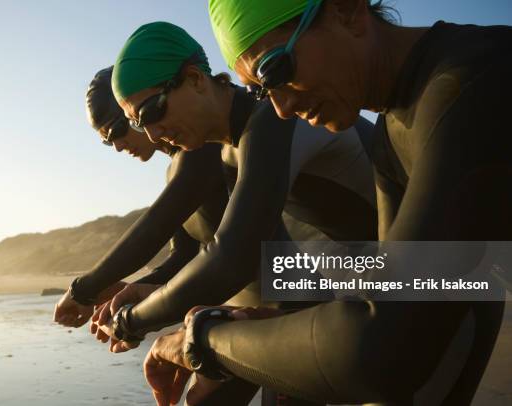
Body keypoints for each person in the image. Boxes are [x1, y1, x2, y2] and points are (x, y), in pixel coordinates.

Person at [135, 1, 510, 405]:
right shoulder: (391, 129)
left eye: (275, 70)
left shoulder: (474, 78)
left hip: (448, 313)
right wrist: (272, 326)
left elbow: (382, 348)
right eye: (262, 90)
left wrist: (205, 340)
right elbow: (386, 288)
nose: (281, 107)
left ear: (347, 11)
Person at [95, 20, 376, 360]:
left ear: (196, 79)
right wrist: (151, 291)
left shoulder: (275, 117)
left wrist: (131, 322)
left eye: (152, 111)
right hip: (361, 293)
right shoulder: (231, 151)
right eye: (139, 124)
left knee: (205, 345)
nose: (153, 134)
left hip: (428, 283)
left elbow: (232, 258)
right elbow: (233, 255)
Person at [53, 67, 229, 329]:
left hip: (294, 288)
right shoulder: (177, 169)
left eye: (116, 130)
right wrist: (129, 294)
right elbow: (183, 257)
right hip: (251, 298)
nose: (117, 146)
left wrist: (84, 289)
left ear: (133, 111)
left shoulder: (205, 147)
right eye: (106, 141)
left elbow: (155, 228)